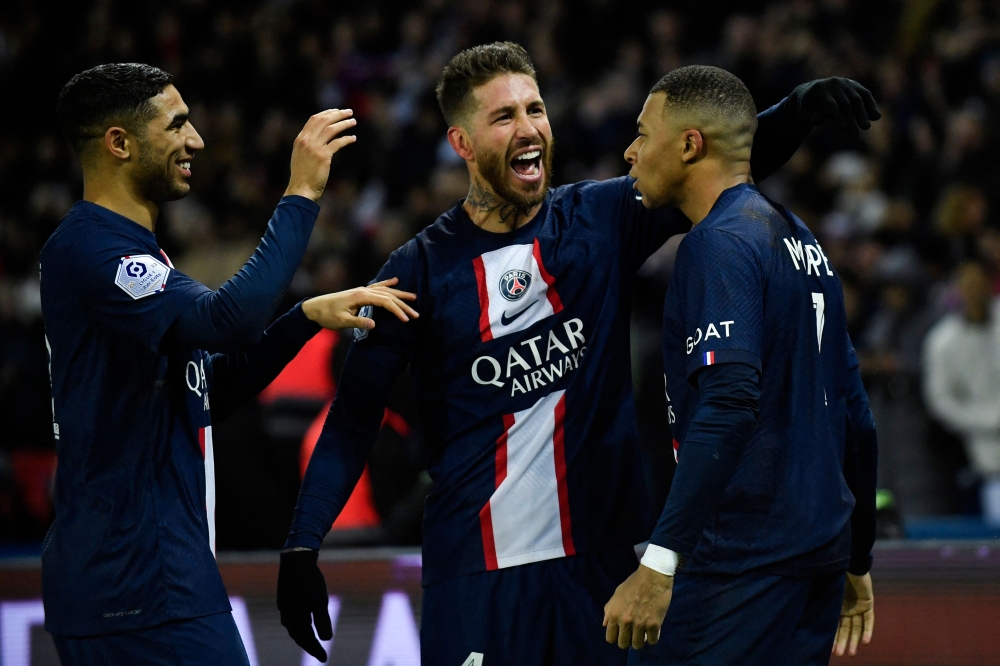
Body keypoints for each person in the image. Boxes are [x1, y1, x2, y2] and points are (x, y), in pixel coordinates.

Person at [276, 43, 880, 665]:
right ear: (462, 143)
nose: (529, 127)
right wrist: (301, 546)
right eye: (504, 116)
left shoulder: (602, 217)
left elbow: (704, 160)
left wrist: (795, 113)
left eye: (534, 108)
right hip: (479, 575)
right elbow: (352, 421)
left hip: (608, 566)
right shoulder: (417, 272)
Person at [40, 63, 417, 666]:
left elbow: (210, 390)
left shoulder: (133, 257)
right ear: (119, 143)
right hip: (137, 587)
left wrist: (304, 318)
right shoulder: (92, 249)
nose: (197, 142)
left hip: (146, 583)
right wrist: (300, 195)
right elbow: (229, 322)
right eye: (177, 125)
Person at [603, 65, 878, 664]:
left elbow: (728, 405)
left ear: (689, 144)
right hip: (816, 562)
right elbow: (857, 416)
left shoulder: (718, 244)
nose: (630, 151)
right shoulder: (802, 240)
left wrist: (659, 561)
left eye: (644, 134)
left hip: (740, 563)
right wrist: (857, 558)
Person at [923, 259, 1000, 526]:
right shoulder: (942, 341)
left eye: (979, 283)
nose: (974, 290)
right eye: (967, 285)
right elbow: (940, 401)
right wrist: (989, 419)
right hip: (989, 461)